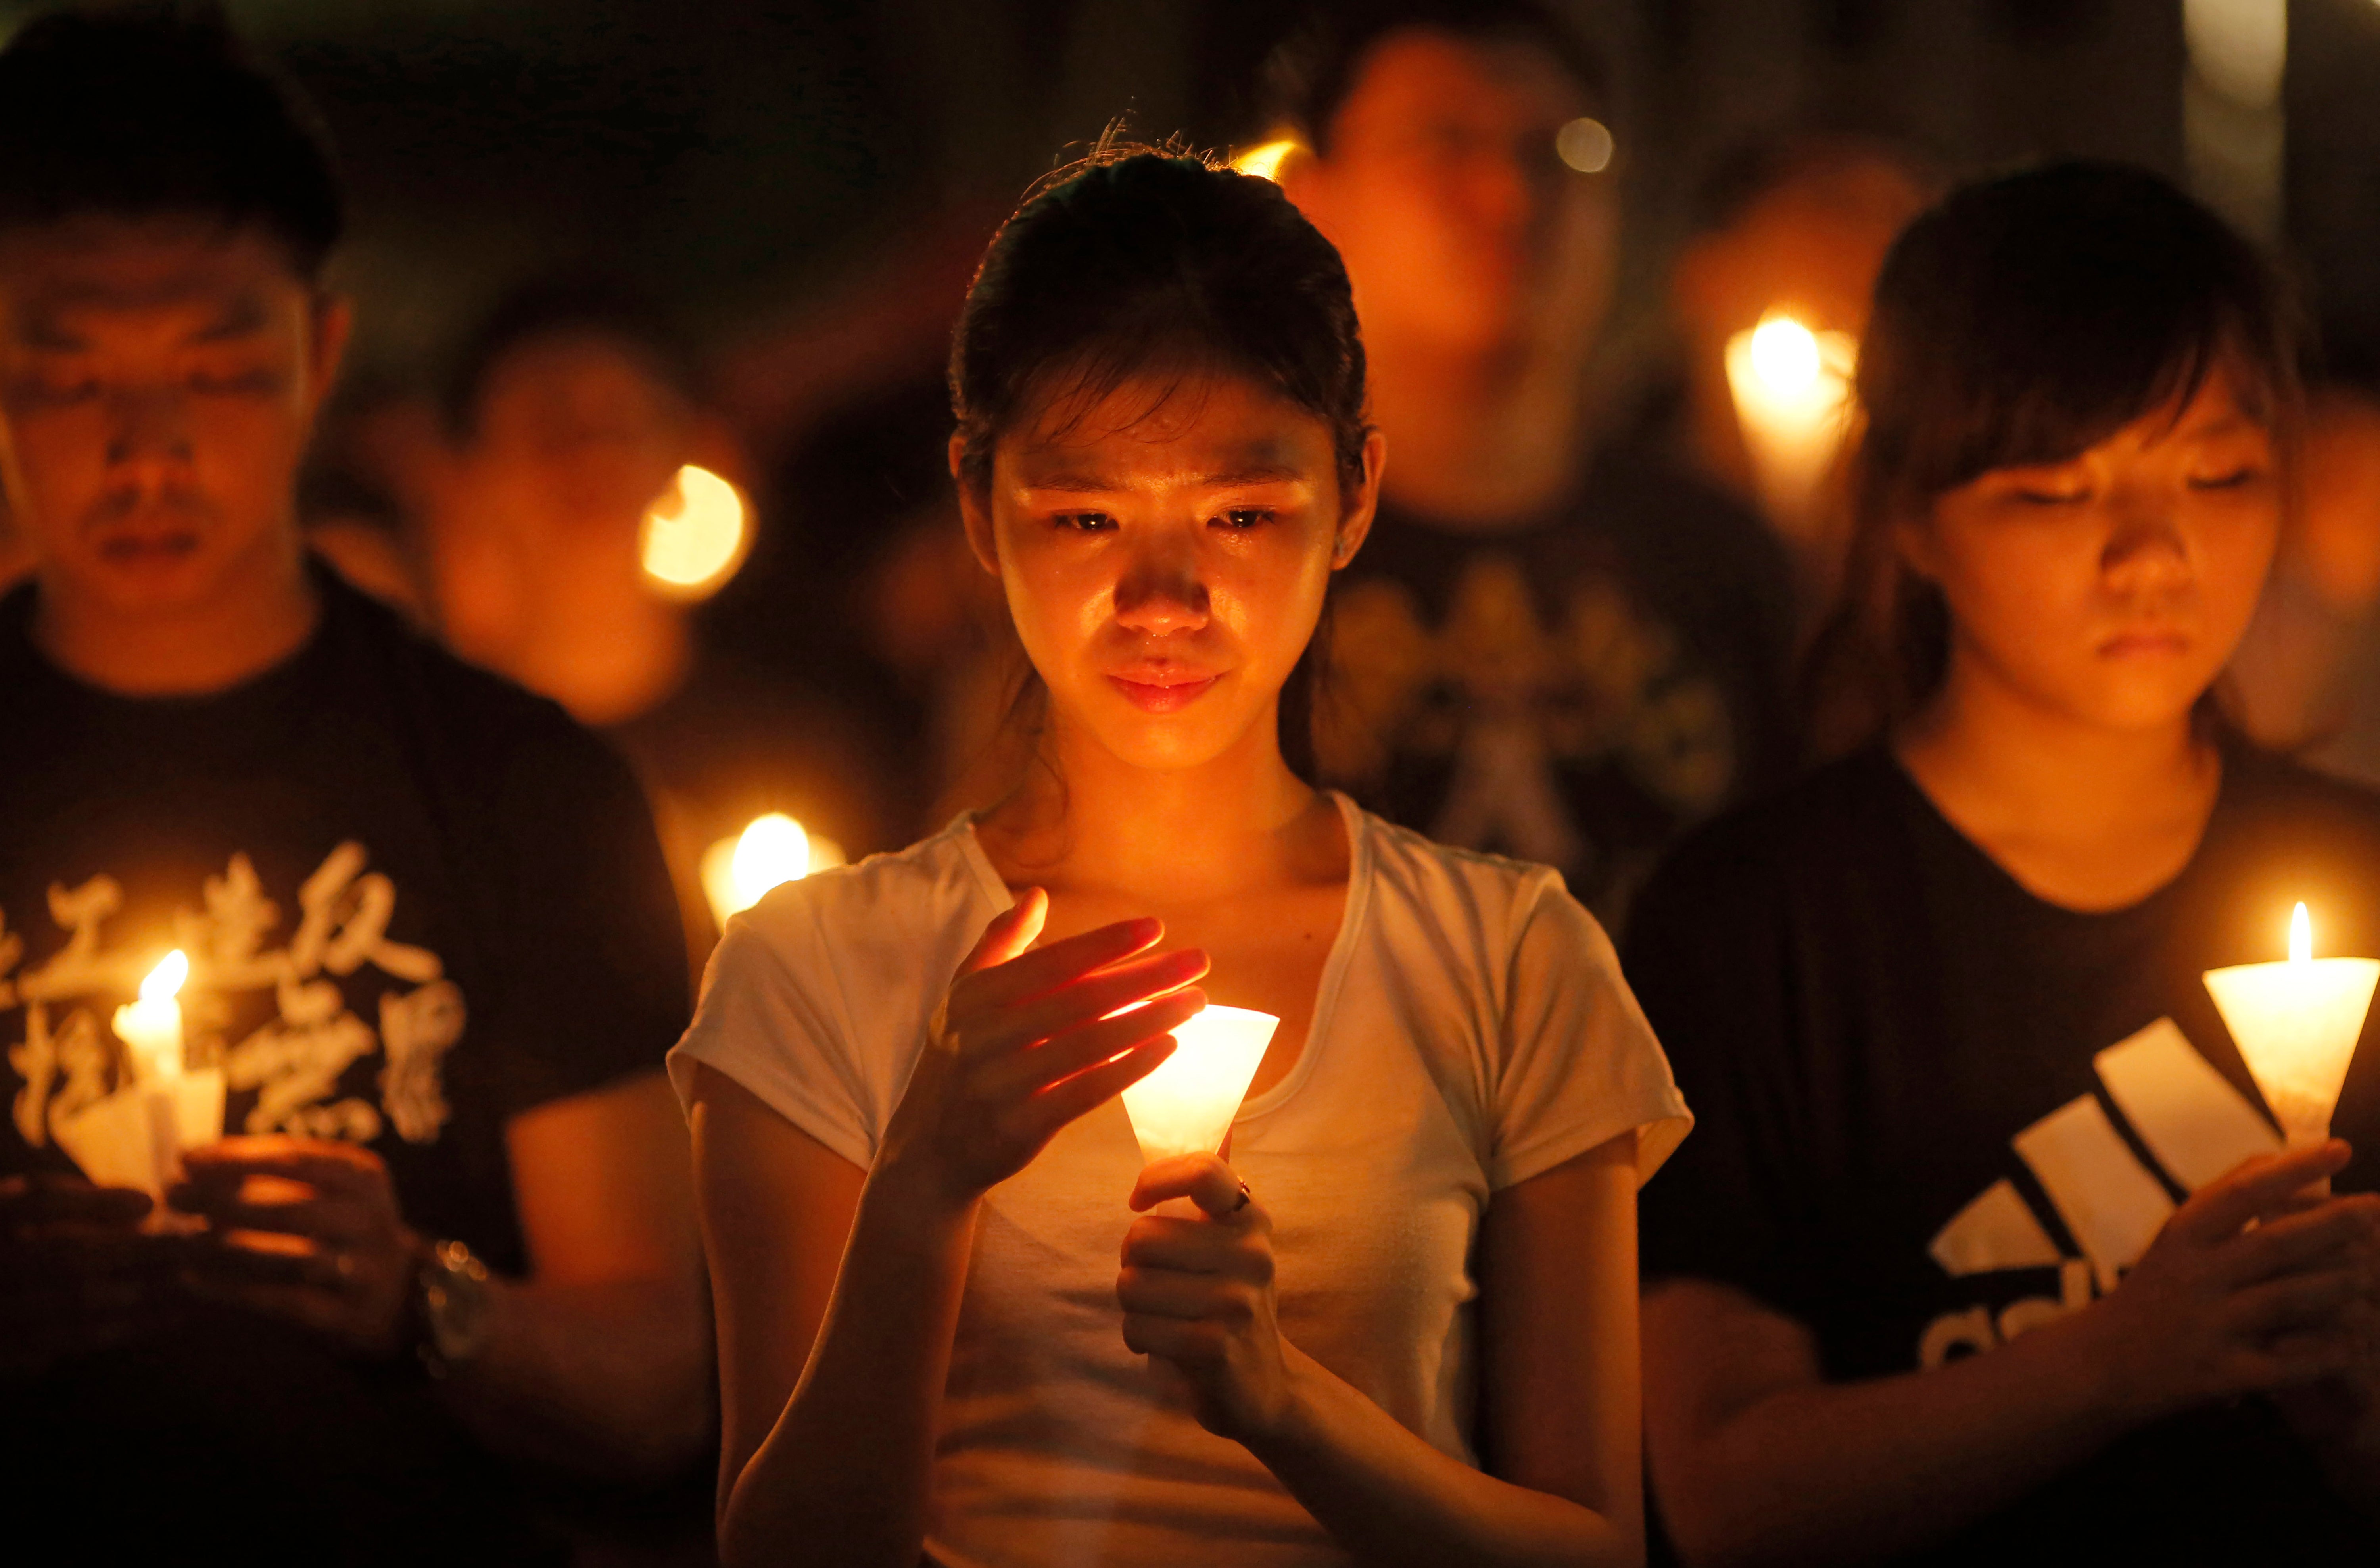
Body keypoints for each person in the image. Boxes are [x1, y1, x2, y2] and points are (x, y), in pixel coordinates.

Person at [676, 146, 1690, 1567]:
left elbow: (1598, 1547)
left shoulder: (1511, 960)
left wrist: (1281, 1403)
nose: (1163, 596)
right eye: (1085, 515)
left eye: (1240, 516)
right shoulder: (821, 969)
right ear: (979, 505)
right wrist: (926, 1183)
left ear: (1355, 500)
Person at [0, 11, 708, 1560]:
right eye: (68, 376)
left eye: (215, 367)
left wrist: (417, 1296)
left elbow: (664, 1379)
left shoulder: (521, 782)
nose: (147, 451)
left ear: (318, 354)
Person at [1630, 161, 2380, 1565]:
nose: (2153, 553)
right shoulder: (1753, 926)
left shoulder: (2361, 871)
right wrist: (2125, 1354)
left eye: (2219, 475)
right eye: (2055, 491)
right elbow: (1726, 1493)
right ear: (1909, 514)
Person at [1267, 0, 1798, 923]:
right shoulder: (1243, 551)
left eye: (1563, 151)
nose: (1509, 195)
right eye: (1442, 144)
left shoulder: (1725, 561)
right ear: (1315, 197)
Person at [429, 278, 890, 967]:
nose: (588, 455)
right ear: (464, 472)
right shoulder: (422, 767)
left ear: (695, 452)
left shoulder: (800, 755)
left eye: (621, 419)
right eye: (545, 423)